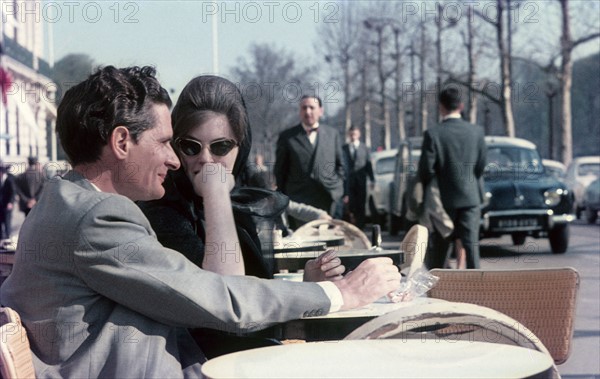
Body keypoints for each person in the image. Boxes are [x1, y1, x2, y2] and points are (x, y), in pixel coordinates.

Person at [0, 66, 401, 378]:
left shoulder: (67, 199)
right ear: (122, 142)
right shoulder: (99, 217)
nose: (176, 161)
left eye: (221, 147)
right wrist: (341, 292)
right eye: (166, 143)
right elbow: (219, 301)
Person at [418, 87, 487, 269]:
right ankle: (477, 290)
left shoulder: (433, 134)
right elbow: (481, 166)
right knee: (472, 249)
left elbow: (426, 169)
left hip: (443, 201)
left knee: (440, 249)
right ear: (461, 106)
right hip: (471, 199)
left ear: (441, 107)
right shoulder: (477, 132)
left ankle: (441, 290)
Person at [274, 95, 345, 227]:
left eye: (312, 107)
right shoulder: (287, 137)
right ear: (299, 111)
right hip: (300, 202)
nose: (308, 111)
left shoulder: (332, 134)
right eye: (304, 108)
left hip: (328, 198)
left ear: (320, 111)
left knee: (330, 244)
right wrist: (284, 199)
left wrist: (338, 190)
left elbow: (340, 166)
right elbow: (280, 171)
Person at [342, 125, 374, 229]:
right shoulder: (344, 148)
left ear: (359, 135)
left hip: (361, 181)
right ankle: (352, 226)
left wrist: (372, 179)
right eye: (351, 134)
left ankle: (361, 226)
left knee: (361, 204)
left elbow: (368, 164)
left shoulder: (364, 148)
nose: (353, 136)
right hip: (348, 182)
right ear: (348, 135)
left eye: (354, 134)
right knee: (351, 205)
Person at [0, 161, 16, 239]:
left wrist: (10, 202)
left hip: (7, 205)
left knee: (7, 221)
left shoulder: (9, 180)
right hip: (0, 205)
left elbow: (13, 192)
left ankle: (8, 237)